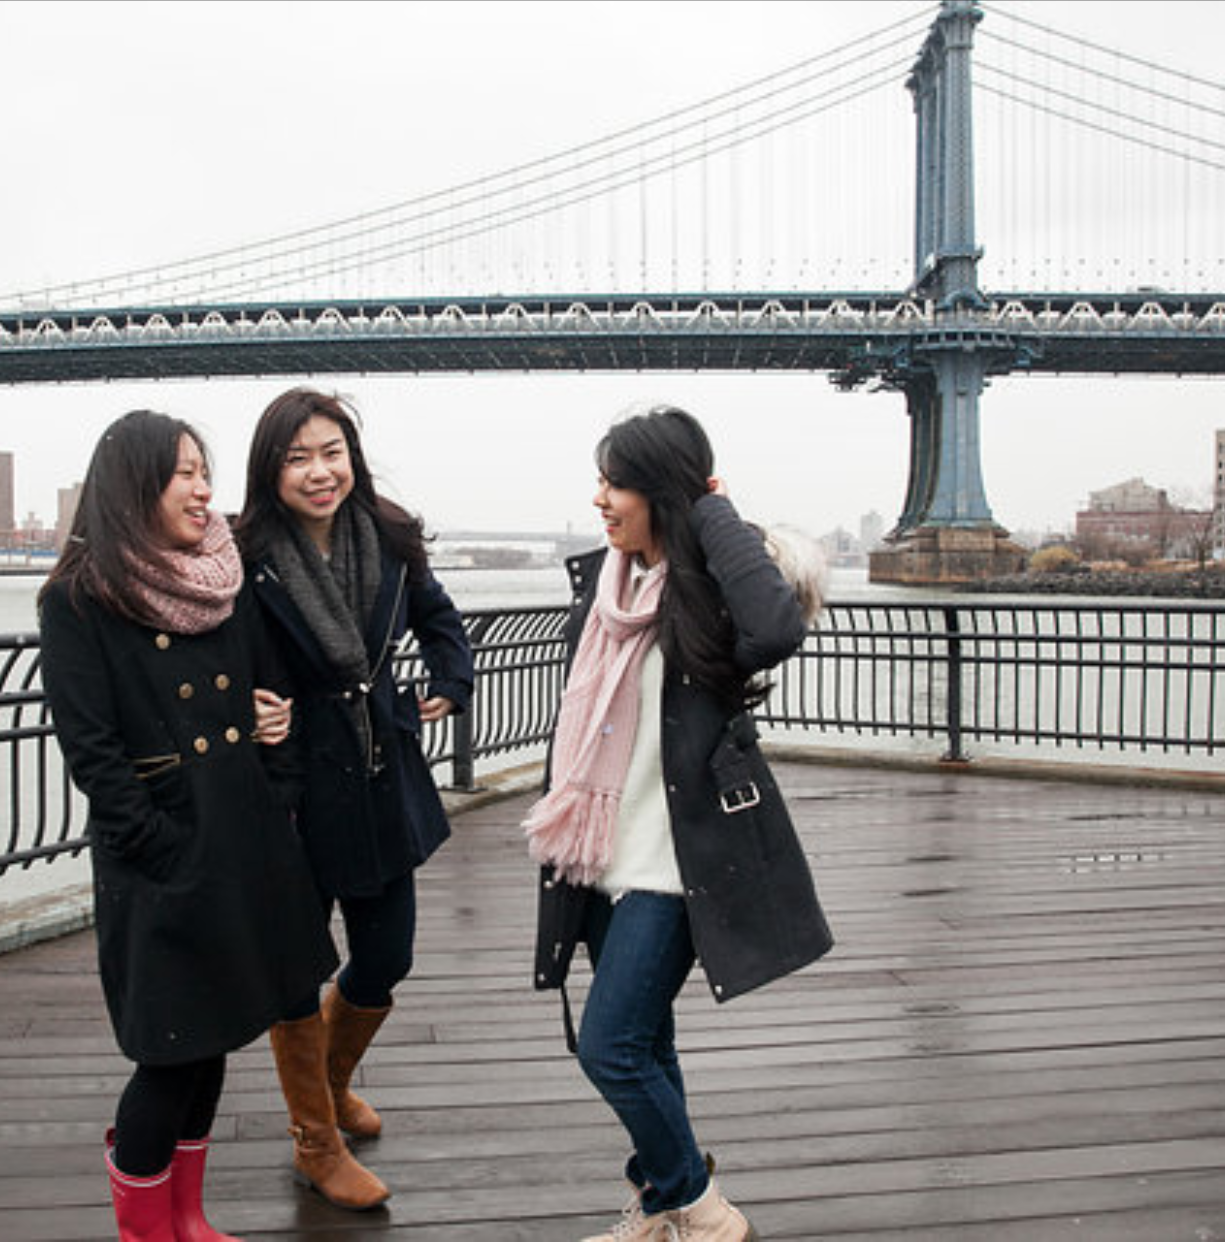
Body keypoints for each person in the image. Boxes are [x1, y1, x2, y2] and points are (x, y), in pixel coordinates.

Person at [523, 405, 833, 1242]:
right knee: (646, 1045)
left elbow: (777, 627)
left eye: (616, 483)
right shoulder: (609, 588)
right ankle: (665, 1207)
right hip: (602, 854)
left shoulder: (707, 600)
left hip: (675, 863)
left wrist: (712, 508)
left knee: (609, 1048)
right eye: (599, 480)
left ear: (662, 493)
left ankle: (700, 1207)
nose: (600, 499)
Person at [38, 409, 337, 1242]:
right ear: (136, 484)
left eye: (205, 472)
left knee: (215, 1042)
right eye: (185, 474)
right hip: (164, 858)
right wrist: (156, 843)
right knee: (170, 1054)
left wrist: (278, 772)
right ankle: (146, 1230)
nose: (205, 491)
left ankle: (188, 1217)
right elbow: (92, 750)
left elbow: (271, 691)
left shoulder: (222, 580)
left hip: (242, 840)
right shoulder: (79, 597)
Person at [232, 387, 476, 1211]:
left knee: (387, 956)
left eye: (331, 452)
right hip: (291, 787)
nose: (319, 471)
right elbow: (215, 662)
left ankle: (331, 1087)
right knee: (296, 972)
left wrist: (451, 677)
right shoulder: (245, 556)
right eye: (297, 457)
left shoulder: (391, 535)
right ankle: (315, 1143)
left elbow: (440, 620)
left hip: (378, 774)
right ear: (270, 471)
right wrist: (242, 708)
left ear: (353, 458)